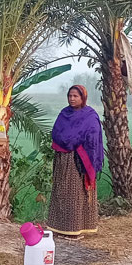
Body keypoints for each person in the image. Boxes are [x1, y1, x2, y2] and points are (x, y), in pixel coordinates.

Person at [46, 85, 103, 240]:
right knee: (61, 192)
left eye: (75, 96)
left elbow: (93, 136)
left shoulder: (89, 115)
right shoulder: (64, 113)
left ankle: (76, 229)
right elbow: (56, 133)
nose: (72, 99)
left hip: (80, 160)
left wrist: (78, 141)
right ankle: (60, 227)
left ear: (83, 97)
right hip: (63, 159)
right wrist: (69, 140)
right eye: (70, 96)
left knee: (76, 193)